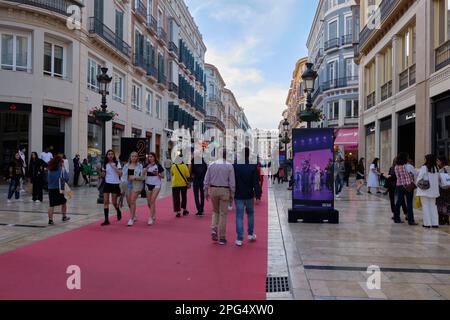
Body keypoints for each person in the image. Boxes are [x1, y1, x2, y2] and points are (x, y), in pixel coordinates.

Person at [204, 149, 235, 245]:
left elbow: (206, 179)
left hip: (213, 190)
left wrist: (205, 190)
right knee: (223, 214)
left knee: (215, 211)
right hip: (224, 190)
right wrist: (232, 193)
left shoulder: (211, 165)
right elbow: (232, 182)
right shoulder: (229, 166)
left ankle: (214, 228)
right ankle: (222, 237)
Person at [233, 148, 261, 246]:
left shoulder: (235, 166)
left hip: (238, 194)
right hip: (249, 194)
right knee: (250, 214)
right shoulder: (252, 166)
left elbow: (233, 181)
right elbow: (256, 182)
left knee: (239, 216)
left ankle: (239, 238)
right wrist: (258, 195)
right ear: (249, 155)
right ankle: (250, 234)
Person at [417, 154, 440, 228]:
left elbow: (419, 178)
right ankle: (435, 223)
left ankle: (427, 223)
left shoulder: (424, 167)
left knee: (425, 206)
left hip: (425, 190)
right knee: (433, 206)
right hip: (434, 191)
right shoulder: (436, 168)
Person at [393, 152, 418, 225]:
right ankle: (411, 220)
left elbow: (398, 176)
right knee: (409, 203)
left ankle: (396, 218)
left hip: (399, 185)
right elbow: (416, 173)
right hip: (408, 185)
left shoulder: (396, 167)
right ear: (405, 158)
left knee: (399, 202)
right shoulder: (408, 166)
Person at [100, 150, 123, 226]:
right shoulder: (105, 164)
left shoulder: (117, 163)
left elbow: (120, 173)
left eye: (112, 154)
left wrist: (114, 167)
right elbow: (103, 175)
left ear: (113, 155)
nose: (110, 155)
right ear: (107, 156)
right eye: (109, 154)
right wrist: (100, 171)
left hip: (115, 184)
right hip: (107, 184)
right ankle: (106, 220)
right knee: (105, 201)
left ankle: (118, 210)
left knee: (114, 202)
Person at [121, 151, 144, 226]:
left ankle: (131, 219)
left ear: (137, 157)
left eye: (135, 156)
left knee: (132, 200)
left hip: (136, 184)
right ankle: (134, 214)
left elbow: (143, 177)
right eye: (132, 156)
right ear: (130, 157)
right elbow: (122, 176)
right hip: (127, 185)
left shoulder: (140, 166)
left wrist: (134, 177)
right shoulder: (126, 165)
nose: (134, 157)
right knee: (129, 202)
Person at [47, 155, 70, 225]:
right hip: (60, 189)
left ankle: (50, 220)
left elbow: (47, 179)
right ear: (60, 162)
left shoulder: (50, 169)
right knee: (64, 202)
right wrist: (63, 167)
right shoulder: (61, 168)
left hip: (51, 188)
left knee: (51, 205)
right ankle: (64, 216)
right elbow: (66, 178)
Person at [144, 152, 164, 225]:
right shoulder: (146, 165)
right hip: (148, 184)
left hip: (156, 184)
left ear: (154, 157)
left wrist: (157, 174)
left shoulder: (158, 165)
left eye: (151, 157)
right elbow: (142, 173)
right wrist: (146, 168)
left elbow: (163, 176)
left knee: (152, 201)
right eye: (149, 157)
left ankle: (150, 217)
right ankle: (153, 213)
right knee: (149, 203)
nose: (150, 158)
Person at [437, 156, 450, 225]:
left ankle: (441, 220)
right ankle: (447, 219)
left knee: (440, 205)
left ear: (441, 162)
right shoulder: (449, 168)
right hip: (449, 189)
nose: (437, 163)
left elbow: (438, 180)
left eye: (438, 161)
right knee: (447, 204)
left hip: (442, 189)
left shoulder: (441, 170)